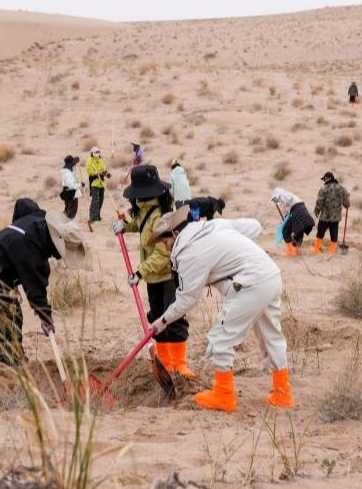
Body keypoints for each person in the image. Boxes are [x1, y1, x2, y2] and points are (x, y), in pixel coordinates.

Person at [148, 206, 293, 413]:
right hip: (271, 275)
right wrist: (233, 251)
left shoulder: (189, 254)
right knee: (271, 336)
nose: (166, 248)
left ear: (176, 234)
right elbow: (254, 227)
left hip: (250, 284)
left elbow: (186, 300)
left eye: (166, 242)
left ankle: (224, 395)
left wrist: (161, 322)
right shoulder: (214, 225)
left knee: (221, 339)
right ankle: (283, 393)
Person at [0, 199, 79, 367]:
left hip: (2, 266)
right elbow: (35, 289)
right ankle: (7, 361)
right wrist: (45, 317)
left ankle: (7, 356)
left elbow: (24, 204)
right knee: (9, 315)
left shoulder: (40, 224)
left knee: (11, 313)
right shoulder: (30, 251)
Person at [112, 165, 194, 378]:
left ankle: (179, 364)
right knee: (157, 318)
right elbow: (141, 226)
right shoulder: (145, 208)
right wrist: (124, 226)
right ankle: (165, 362)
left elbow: (162, 255)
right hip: (153, 277)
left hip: (168, 276)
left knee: (173, 319)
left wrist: (139, 272)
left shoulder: (162, 216)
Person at [311, 172, 350, 255]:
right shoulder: (342, 188)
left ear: (327, 178)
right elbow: (347, 204)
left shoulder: (324, 189)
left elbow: (319, 201)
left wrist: (317, 210)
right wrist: (347, 201)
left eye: (324, 179)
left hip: (325, 216)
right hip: (336, 217)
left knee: (320, 232)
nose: (324, 181)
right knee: (334, 233)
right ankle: (332, 251)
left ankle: (316, 250)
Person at [271, 188, 314, 257]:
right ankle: (296, 250)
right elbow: (287, 213)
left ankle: (291, 252)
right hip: (301, 209)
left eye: (276, 199)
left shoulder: (285, 195)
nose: (277, 202)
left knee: (285, 231)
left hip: (297, 210)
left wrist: (278, 199)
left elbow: (287, 198)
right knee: (298, 231)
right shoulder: (290, 200)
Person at [85, 147, 110, 224]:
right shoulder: (89, 161)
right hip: (94, 183)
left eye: (98, 152)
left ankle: (98, 216)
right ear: (92, 153)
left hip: (101, 183)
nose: (97, 153)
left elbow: (104, 168)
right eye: (96, 152)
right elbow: (90, 172)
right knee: (95, 201)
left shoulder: (101, 160)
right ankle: (93, 218)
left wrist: (106, 173)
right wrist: (98, 174)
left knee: (101, 200)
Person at [60, 155, 82, 220]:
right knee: (72, 210)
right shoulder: (68, 173)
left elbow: (74, 163)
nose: (73, 165)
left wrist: (76, 160)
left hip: (67, 192)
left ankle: (64, 222)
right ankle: (68, 224)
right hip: (71, 192)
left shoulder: (66, 170)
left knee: (67, 208)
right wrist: (80, 185)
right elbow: (71, 185)